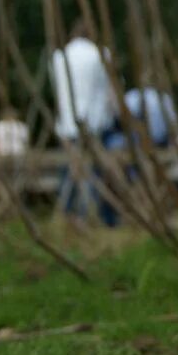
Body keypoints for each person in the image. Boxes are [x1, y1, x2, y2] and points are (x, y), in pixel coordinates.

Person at [49, 20, 121, 226]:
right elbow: (110, 90)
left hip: (67, 122)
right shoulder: (100, 53)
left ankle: (67, 214)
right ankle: (95, 216)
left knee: (70, 169)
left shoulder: (59, 55)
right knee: (95, 170)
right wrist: (117, 115)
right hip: (95, 121)